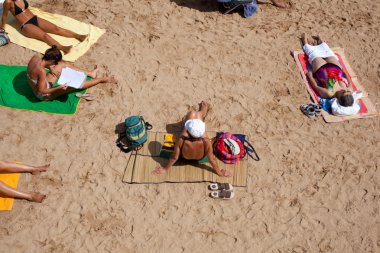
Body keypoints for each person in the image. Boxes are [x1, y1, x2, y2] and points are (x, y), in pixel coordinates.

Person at [152, 101, 233, 177]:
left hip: (185, 157)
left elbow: (174, 157)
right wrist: (219, 172)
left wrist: (165, 169)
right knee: (196, 117)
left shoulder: (182, 140)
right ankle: (202, 113)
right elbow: (212, 160)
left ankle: (192, 117)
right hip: (200, 157)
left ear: (188, 132)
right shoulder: (206, 142)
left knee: (191, 114)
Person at [27, 46, 116, 101]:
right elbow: (41, 91)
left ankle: (90, 73)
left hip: (41, 84)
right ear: (52, 60)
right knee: (73, 84)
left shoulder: (35, 58)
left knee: (62, 64)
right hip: (43, 95)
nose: (54, 65)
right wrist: (59, 87)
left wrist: (51, 68)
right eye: (54, 63)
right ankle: (101, 80)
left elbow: (40, 68)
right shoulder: (41, 72)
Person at [1, 0, 87, 54]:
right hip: (26, 25)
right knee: (45, 36)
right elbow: (4, 16)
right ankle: (62, 48)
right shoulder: (8, 2)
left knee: (56, 28)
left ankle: (78, 36)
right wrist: (2, 28)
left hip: (34, 18)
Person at [301, 33, 356, 107]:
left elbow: (316, 86)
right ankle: (319, 40)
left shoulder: (329, 93)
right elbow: (349, 80)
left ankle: (305, 41)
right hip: (336, 67)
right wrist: (343, 69)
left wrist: (310, 76)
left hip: (321, 69)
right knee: (328, 51)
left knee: (313, 54)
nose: (345, 90)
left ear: (339, 99)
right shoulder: (350, 90)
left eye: (343, 92)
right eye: (347, 92)